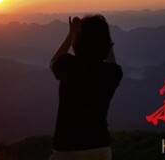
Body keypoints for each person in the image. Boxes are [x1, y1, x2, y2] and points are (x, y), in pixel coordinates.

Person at [50, 15, 122, 160]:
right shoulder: (112, 73)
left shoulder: (68, 65)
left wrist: (71, 33)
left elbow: (54, 62)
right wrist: (105, 41)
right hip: (100, 148)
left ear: (79, 40)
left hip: (66, 149)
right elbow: (112, 64)